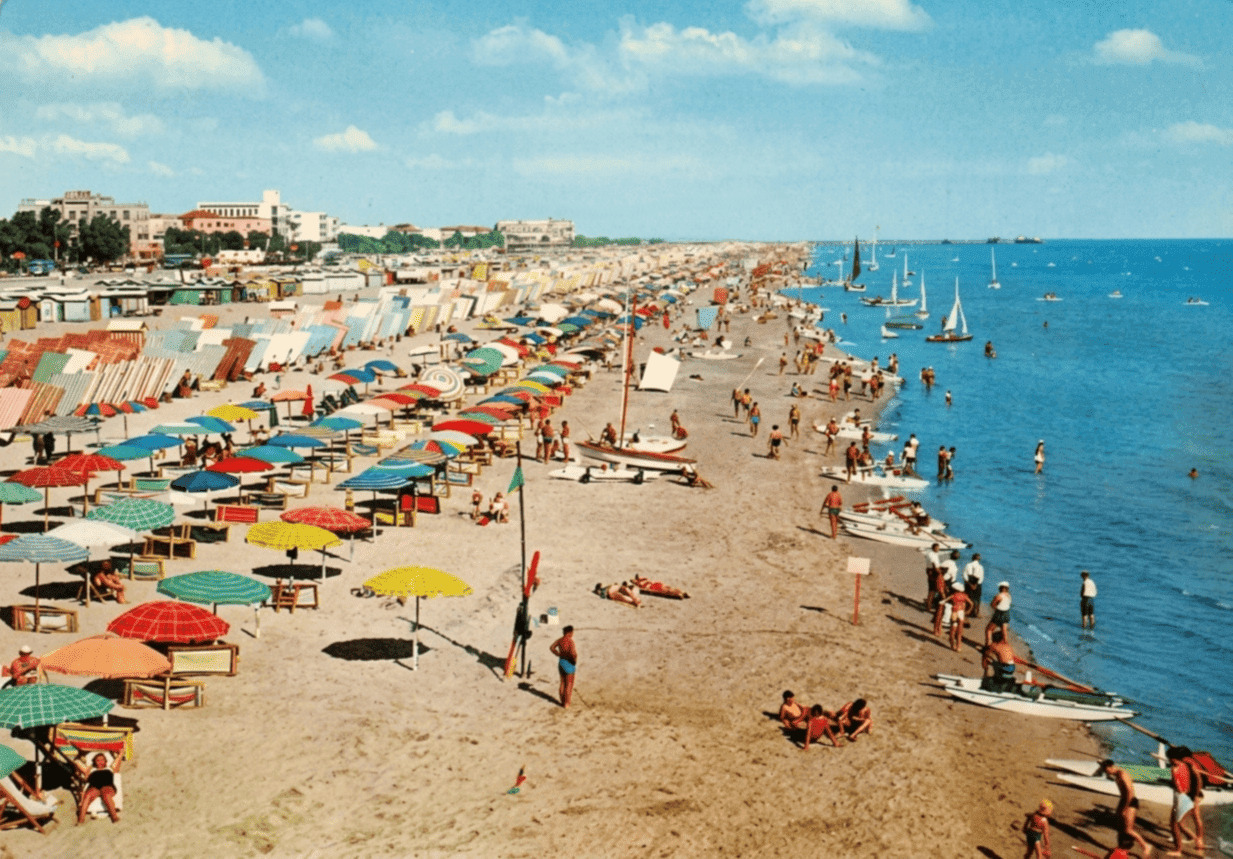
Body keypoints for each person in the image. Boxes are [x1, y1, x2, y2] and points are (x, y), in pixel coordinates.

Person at [1097, 760, 1152, 857]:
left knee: (1128, 829)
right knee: (1120, 826)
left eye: (1106, 770)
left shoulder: (1122, 774)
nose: (1105, 772)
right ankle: (1122, 847)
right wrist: (1101, 762)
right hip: (1123, 801)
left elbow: (1130, 792)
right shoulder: (1117, 774)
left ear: (1110, 767)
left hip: (1130, 802)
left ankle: (1146, 846)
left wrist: (1125, 808)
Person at [1167, 745, 1204, 855]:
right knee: (1179, 823)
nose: (1169, 760)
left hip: (1183, 797)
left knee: (1176, 825)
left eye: (1170, 758)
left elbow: (1179, 787)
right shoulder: (1186, 765)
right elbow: (1193, 779)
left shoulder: (1176, 768)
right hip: (1188, 796)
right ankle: (1196, 840)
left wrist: (1173, 782)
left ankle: (1179, 849)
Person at [75, 752, 122, 825]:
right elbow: (77, 762)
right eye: (98, 760)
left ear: (105, 761)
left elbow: (119, 757)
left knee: (106, 794)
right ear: (95, 762)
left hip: (107, 786)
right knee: (87, 796)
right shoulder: (90, 770)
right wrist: (81, 755)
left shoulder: (110, 768)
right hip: (94, 787)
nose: (100, 762)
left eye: (102, 760)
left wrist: (121, 751)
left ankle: (115, 818)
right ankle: (80, 820)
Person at [549, 626, 577, 709]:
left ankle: (562, 701)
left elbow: (552, 647)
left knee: (562, 683)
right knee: (569, 684)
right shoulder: (570, 641)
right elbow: (573, 653)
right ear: (570, 633)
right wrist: (574, 660)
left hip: (561, 662)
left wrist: (558, 654)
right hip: (569, 663)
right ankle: (566, 703)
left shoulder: (560, 640)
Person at [946, 584, 974, 651]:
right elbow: (971, 604)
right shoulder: (964, 596)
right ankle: (959, 646)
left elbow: (945, 600)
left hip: (955, 612)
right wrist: (968, 611)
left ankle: (952, 645)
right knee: (960, 631)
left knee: (953, 630)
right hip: (961, 613)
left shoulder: (953, 595)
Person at [964, 553, 985, 618]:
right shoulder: (980, 567)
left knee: (968, 597)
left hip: (968, 583)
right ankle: (976, 613)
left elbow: (965, 576)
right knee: (977, 599)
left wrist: (970, 584)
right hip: (977, 584)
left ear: (972, 558)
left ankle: (967, 612)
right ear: (979, 559)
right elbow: (980, 577)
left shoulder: (968, 565)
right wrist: (975, 585)